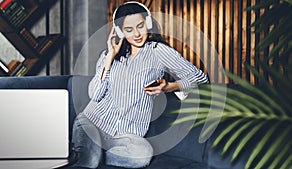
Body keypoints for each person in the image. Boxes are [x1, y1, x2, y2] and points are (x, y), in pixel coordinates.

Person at [70, 1, 209, 169]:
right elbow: (95, 94)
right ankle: (91, 154)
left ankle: (92, 153)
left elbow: (200, 78)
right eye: (129, 30)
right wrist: (109, 58)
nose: (136, 34)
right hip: (92, 123)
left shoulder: (158, 52)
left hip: (127, 136)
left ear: (148, 24)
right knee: (89, 162)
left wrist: (169, 86)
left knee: (142, 157)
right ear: (121, 31)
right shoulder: (108, 55)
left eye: (140, 26)